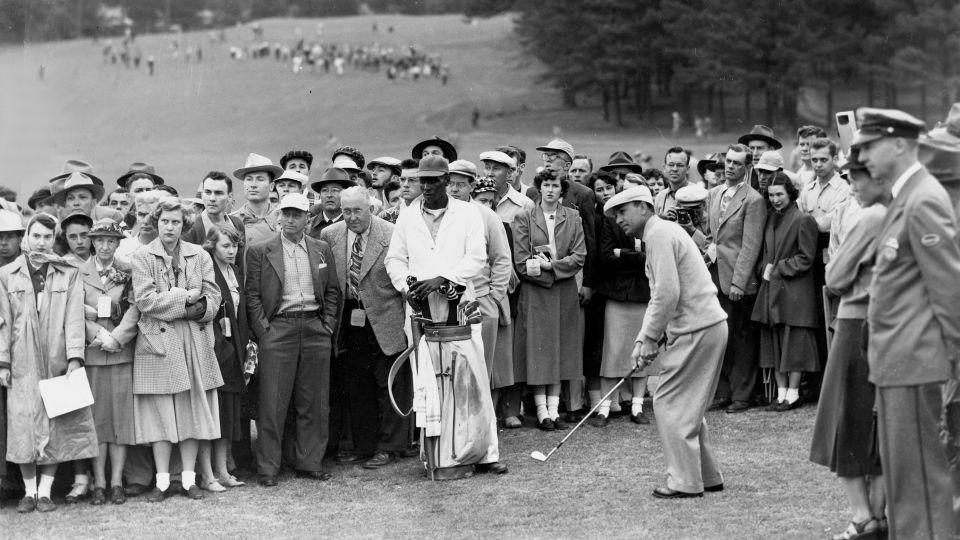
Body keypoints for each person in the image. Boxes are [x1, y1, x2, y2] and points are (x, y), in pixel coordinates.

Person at [856, 108, 960, 539]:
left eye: (869, 146)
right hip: (898, 363)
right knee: (904, 481)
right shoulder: (906, 197)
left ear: (900, 144)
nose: (862, 156)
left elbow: (950, 293)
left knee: (920, 482)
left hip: (917, 362)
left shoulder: (924, 199)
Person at [383, 154, 506, 476]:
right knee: (429, 383)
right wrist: (405, 284)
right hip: (422, 312)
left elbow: (477, 257)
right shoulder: (407, 216)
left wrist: (445, 278)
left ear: (446, 181)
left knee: (472, 379)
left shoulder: (468, 213)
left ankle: (487, 453)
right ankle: (439, 457)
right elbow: (394, 259)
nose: (426, 186)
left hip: (460, 305)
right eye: (422, 180)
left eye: (433, 180)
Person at [605, 186, 727, 499]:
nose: (618, 219)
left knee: (670, 402)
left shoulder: (658, 234)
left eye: (623, 211)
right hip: (704, 325)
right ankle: (707, 476)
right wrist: (649, 338)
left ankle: (685, 482)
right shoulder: (662, 231)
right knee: (687, 405)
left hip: (698, 327)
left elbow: (666, 293)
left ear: (644, 207)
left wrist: (647, 339)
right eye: (614, 214)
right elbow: (668, 293)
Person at [809, 151, 887, 539]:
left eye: (861, 175)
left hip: (857, 319)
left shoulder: (870, 216)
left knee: (845, 422)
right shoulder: (902, 210)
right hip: (888, 323)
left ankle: (862, 517)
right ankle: (877, 513)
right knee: (874, 422)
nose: (852, 183)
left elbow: (836, 276)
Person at [0, 212, 97, 513]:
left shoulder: (68, 272)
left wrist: (75, 357)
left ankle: (45, 492)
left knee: (56, 423)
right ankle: (28, 491)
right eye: (35, 236)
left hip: (56, 356)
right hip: (22, 358)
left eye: (46, 236)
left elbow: (74, 318)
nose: (40, 242)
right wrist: (2, 361)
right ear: (26, 238)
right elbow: (3, 322)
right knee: (22, 423)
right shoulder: (7, 275)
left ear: (53, 239)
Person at [130, 198, 224, 503]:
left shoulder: (200, 255)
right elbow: (146, 301)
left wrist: (197, 308)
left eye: (175, 222)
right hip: (157, 342)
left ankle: (187, 479)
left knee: (191, 410)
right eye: (164, 221)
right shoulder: (142, 256)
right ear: (155, 222)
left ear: (184, 225)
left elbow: (213, 296)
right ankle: (160, 483)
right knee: (160, 414)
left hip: (193, 341)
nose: (169, 227)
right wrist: (185, 298)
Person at [246, 193, 341, 487]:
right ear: (278, 216)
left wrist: (327, 325)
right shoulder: (261, 250)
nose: (289, 219)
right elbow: (252, 295)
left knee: (314, 401)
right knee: (273, 401)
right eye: (285, 213)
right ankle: (268, 467)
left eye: (296, 214)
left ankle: (309, 461)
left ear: (307, 218)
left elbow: (333, 292)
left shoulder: (321, 248)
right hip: (279, 328)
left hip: (314, 326)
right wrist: (265, 329)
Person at [320, 187, 409, 469]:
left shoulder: (392, 233)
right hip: (349, 318)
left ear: (370, 207)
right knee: (357, 383)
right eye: (346, 211)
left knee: (389, 382)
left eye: (358, 210)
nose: (352, 217)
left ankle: (390, 446)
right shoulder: (330, 235)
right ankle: (365, 445)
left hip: (386, 317)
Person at [513, 169, 586, 431]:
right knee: (538, 348)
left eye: (555, 185)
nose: (551, 190)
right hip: (536, 292)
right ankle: (542, 411)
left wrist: (551, 268)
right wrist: (546, 274)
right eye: (546, 185)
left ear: (562, 189)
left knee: (561, 348)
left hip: (564, 291)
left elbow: (579, 256)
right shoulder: (524, 217)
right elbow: (522, 262)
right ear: (539, 188)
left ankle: (555, 410)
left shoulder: (573, 216)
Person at [448, 157, 516, 427]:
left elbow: (502, 259)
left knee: (482, 368)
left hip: (481, 299)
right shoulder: (441, 215)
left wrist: (494, 296)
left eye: (460, 184)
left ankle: (484, 429)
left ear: (471, 185)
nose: (453, 190)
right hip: (449, 301)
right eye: (449, 184)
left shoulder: (486, 215)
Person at [79, 219, 140, 506]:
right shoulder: (78, 272)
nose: (105, 246)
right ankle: (98, 482)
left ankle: (116, 481)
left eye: (111, 240)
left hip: (119, 354)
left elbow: (135, 307)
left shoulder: (128, 270)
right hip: (92, 354)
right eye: (100, 240)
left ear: (118, 243)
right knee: (96, 420)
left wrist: (116, 338)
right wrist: (97, 333)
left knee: (120, 420)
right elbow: (72, 310)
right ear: (92, 241)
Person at [705, 144, 767, 413]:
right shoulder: (714, 194)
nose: (730, 167)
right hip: (714, 277)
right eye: (728, 161)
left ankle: (743, 394)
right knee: (720, 336)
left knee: (741, 338)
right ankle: (723, 391)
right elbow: (711, 237)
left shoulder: (753, 200)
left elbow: (751, 245)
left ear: (746, 168)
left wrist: (739, 283)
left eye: (737, 163)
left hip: (736, 280)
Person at [751, 173, 820, 411]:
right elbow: (764, 254)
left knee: (795, 341)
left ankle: (793, 393)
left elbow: (806, 257)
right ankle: (780, 394)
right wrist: (763, 269)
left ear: (790, 193)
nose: (775, 199)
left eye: (779, 194)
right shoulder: (770, 219)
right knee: (774, 341)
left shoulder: (803, 220)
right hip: (772, 288)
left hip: (794, 291)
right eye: (771, 195)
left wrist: (778, 268)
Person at [593, 180, 651, 426]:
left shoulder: (648, 223)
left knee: (640, 350)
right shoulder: (610, 221)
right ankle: (604, 408)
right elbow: (605, 257)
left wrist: (622, 254)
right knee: (613, 351)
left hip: (641, 293)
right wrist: (634, 256)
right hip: (616, 293)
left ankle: (637, 406)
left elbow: (651, 257)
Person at [199, 225, 248, 491]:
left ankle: (223, 470)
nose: (231, 251)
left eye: (234, 246)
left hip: (234, 351)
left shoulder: (235, 271)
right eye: (225, 246)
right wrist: (222, 347)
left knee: (227, 414)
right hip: (216, 351)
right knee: (212, 414)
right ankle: (208, 475)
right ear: (212, 246)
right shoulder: (208, 273)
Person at [181, 172, 246, 258]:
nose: (212, 198)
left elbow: (240, 266)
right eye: (207, 192)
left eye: (218, 193)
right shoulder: (190, 227)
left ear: (229, 197)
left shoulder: (237, 224)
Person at [230, 153, 284, 246]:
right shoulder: (232, 221)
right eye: (249, 179)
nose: (253, 185)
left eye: (260, 179)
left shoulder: (282, 219)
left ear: (271, 186)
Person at [51, 171, 123, 223]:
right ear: (65, 204)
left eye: (82, 197)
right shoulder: (61, 227)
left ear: (94, 203)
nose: (76, 203)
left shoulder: (108, 216)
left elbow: (118, 218)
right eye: (70, 198)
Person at [308, 167, 355, 238]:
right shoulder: (309, 225)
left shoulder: (353, 224)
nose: (329, 195)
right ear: (320, 194)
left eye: (335, 190)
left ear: (346, 194)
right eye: (325, 190)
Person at [738, 124, 783, 190]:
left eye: (759, 148)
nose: (755, 153)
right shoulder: (742, 177)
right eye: (752, 148)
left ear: (771, 150)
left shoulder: (781, 177)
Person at [378, 159, 422, 224]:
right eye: (402, 179)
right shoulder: (385, 217)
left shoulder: (435, 213)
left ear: (424, 182)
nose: (406, 184)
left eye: (412, 180)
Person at [654, 147, 692, 216]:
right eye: (671, 165)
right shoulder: (659, 198)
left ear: (687, 169)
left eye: (680, 165)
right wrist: (661, 219)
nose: (674, 169)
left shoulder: (699, 194)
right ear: (664, 168)